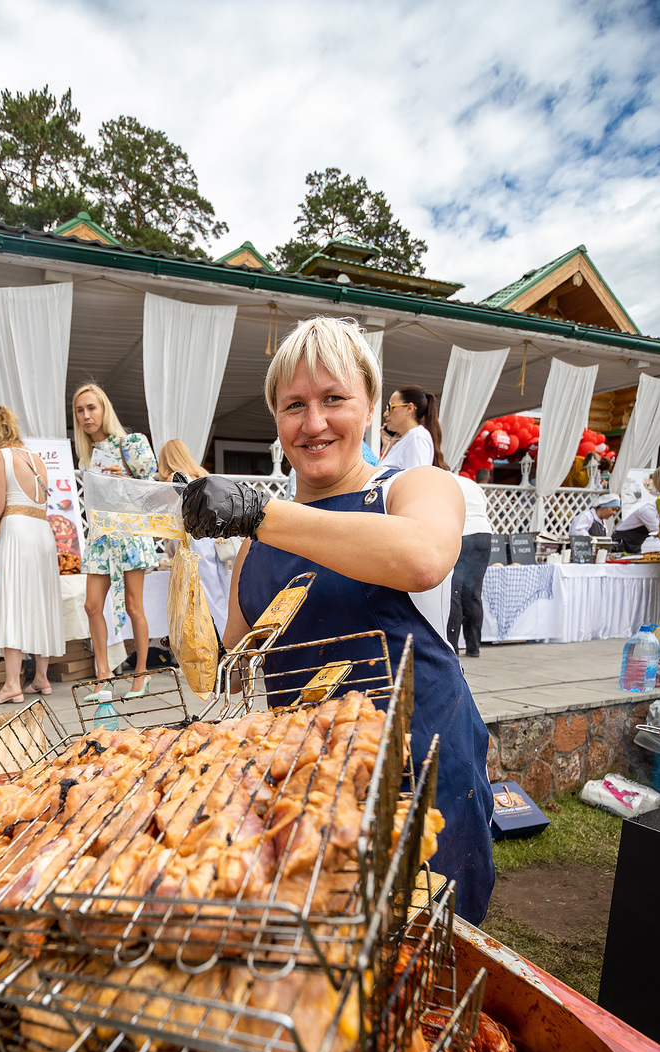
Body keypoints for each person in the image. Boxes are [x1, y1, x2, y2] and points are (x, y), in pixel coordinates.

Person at [181, 315, 494, 926]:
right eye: (294, 404)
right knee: (325, 964)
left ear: (373, 407)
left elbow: (423, 557)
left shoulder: (416, 487)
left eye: (334, 399)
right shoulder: (255, 541)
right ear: (277, 419)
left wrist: (255, 511)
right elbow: (234, 666)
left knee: (423, 960)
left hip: (419, 781)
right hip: (308, 798)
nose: (314, 422)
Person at [0, 404, 65, 702]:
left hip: (18, 532)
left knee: (14, 602)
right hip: (42, 533)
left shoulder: (0, 456)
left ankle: (12, 685)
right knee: (41, 602)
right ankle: (42, 679)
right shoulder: (36, 459)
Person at [72, 382, 158, 698]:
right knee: (92, 605)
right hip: (100, 538)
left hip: (130, 534)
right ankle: (103, 676)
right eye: (80, 410)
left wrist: (124, 484)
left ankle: (142, 674)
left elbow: (151, 487)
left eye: (91, 408)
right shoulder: (87, 455)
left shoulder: (131, 444)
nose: (85, 415)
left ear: (104, 409)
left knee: (135, 606)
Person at [157, 439, 234, 636]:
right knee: (217, 591)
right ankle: (226, 639)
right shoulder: (201, 475)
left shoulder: (173, 479)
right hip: (211, 538)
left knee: (199, 593)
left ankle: (209, 640)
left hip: (192, 539)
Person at [447, 475, 493, 658]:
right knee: (473, 593)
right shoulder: (472, 484)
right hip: (484, 534)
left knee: (455, 592)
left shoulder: (443, 481)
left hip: (464, 534)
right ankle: (474, 647)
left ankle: (452, 647)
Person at [378, 387, 446, 472]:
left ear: (409, 408)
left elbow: (416, 480)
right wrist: (386, 448)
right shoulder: (407, 440)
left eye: (391, 407)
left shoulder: (417, 437)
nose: (386, 414)